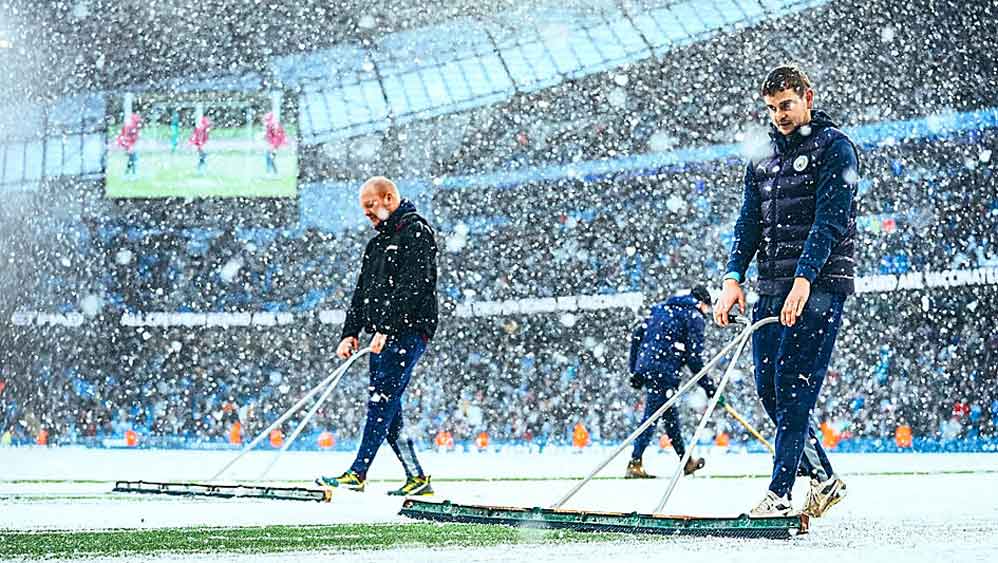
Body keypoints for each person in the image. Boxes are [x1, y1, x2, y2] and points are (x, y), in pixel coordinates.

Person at [714, 64, 859, 518]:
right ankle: (825, 479)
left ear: (808, 98)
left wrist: (805, 279)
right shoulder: (763, 157)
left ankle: (779, 495)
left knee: (795, 390)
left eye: (787, 105)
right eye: (772, 108)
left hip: (818, 287)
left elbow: (830, 221)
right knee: (769, 390)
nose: (779, 115)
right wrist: (733, 278)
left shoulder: (835, 149)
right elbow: (749, 222)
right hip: (771, 287)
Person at [316, 177, 438, 497]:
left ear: (388, 198)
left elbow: (413, 287)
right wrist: (350, 333)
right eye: (364, 208)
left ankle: (358, 472)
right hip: (382, 333)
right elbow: (362, 294)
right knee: (388, 406)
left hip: (408, 331)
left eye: (370, 206)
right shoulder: (377, 243)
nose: (367, 213)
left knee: (381, 400)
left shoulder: (416, 232)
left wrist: (387, 328)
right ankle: (416, 477)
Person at [626, 285, 718, 479]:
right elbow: (694, 358)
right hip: (665, 369)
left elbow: (637, 335)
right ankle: (635, 462)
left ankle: (686, 461)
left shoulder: (661, 310)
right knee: (652, 415)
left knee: (669, 416)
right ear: (703, 303)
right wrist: (709, 387)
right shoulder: (694, 316)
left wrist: (635, 369)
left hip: (649, 367)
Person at [116, 113, 141, 178]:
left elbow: (133, 137)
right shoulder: (131, 126)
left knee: (132, 159)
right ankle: (133, 174)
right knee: (134, 158)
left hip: (128, 144)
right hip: (126, 144)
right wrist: (129, 147)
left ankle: (128, 174)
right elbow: (126, 137)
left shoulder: (134, 126)